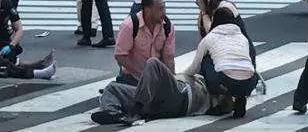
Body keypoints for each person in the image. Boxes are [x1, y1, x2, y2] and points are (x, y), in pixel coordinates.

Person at [92, 58, 233, 126]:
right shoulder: (207, 70)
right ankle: (113, 113)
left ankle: (136, 110)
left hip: (182, 95)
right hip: (159, 98)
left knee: (153, 63)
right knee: (112, 87)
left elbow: (227, 104)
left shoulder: (218, 86)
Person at [184, 9, 257, 118]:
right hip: (250, 80)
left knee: (206, 60)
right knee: (238, 66)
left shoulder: (209, 38)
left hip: (225, 80)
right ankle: (240, 96)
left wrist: (185, 75)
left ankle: (220, 100)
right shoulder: (242, 38)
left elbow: (195, 66)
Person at [114, 0, 175, 86]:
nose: (164, 13)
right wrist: (142, 75)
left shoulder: (167, 26)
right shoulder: (129, 25)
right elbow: (120, 55)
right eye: (160, 8)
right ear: (148, 10)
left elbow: (168, 58)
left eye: (164, 8)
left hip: (156, 78)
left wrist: (172, 82)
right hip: (132, 77)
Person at [193, 0, 256, 68]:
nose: (195, 0)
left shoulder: (225, 9)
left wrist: (204, 12)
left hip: (237, 54)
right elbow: (202, 40)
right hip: (222, 53)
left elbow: (212, 35)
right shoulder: (206, 11)